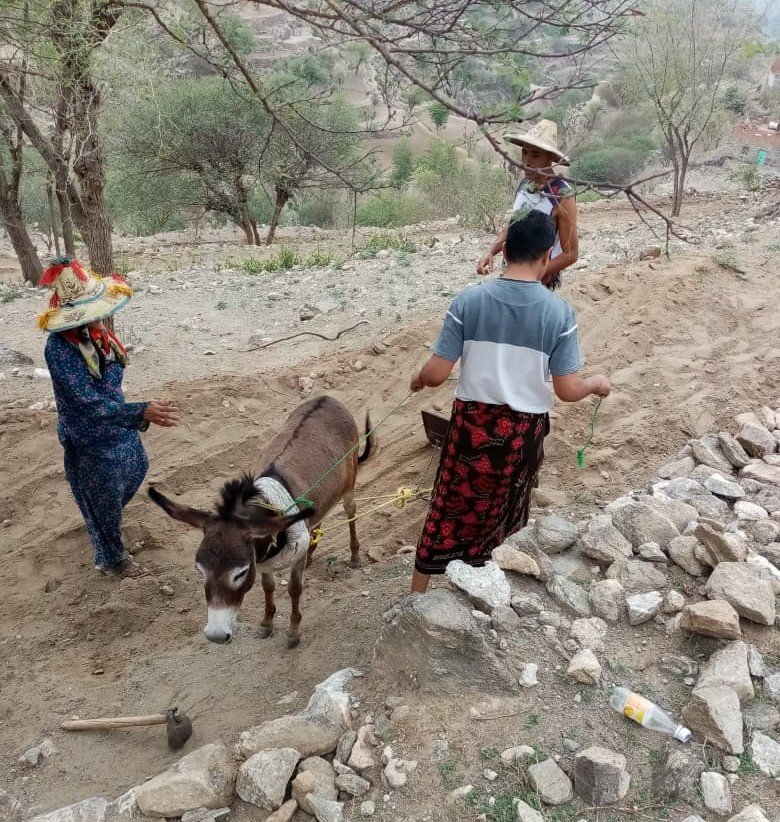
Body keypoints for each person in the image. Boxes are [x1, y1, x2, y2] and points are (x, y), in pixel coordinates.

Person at [410, 212, 609, 594]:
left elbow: (435, 374)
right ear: (546, 253)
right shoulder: (559, 313)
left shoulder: (469, 300)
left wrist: (419, 378)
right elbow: (567, 390)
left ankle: (418, 593)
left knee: (448, 508)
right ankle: (487, 587)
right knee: (505, 510)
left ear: (506, 250)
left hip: (471, 426)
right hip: (521, 434)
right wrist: (596, 383)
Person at [37, 258, 180, 577]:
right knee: (102, 499)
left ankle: (103, 520)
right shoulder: (59, 348)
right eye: (93, 314)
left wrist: (135, 413)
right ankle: (113, 560)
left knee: (135, 468)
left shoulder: (98, 336)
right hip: (88, 437)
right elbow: (88, 403)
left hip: (117, 426)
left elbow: (109, 380)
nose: (102, 318)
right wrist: (140, 410)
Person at [477, 119, 578, 290]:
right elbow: (515, 225)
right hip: (510, 276)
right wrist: (491, 251)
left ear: (550, 157)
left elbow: (571, 253)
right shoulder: (524, 185)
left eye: (535, 155)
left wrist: (535, 274)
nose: (527, 161)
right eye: (525, 153)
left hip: (538, 285)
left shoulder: (562, 195)